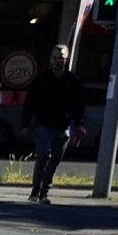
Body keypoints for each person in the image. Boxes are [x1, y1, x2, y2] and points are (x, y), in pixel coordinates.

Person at [22, 45, 86, 203]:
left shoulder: (73, 81)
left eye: (61, 58)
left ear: (66, 59)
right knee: (44, 155)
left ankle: (44, 191)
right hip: (42, 124)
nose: (57, 61)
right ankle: (36, 189)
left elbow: (78, 106)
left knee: (55, 160)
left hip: (62, 126)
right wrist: (26, 124)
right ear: (50, 58)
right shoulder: (40, 80)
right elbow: (29, 104)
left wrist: (79, 124)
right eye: (55, 57)